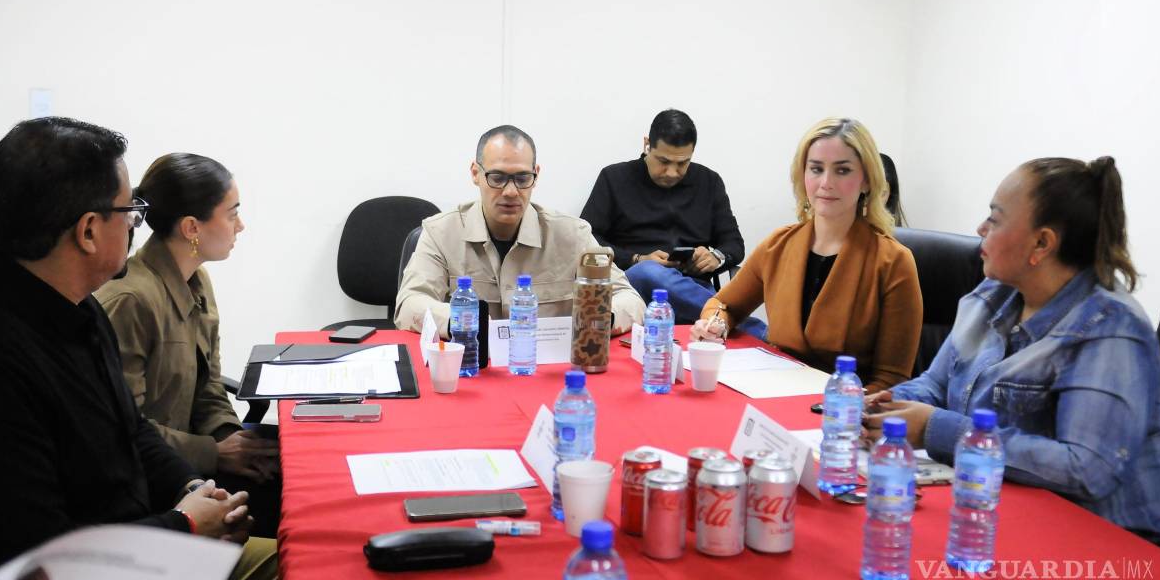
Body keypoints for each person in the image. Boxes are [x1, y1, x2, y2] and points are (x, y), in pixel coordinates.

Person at [0, 118, 276, 580]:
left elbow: (130, 428)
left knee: (312, 568)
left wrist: (192, 488)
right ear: (89, 231)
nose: (138, 224)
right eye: (130, 212)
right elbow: (40, 563)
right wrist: (184, 525)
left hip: (145, 542)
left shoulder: (75, 300)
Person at [866, 156, 1160, 549]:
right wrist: (886, 408)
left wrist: (937, 429)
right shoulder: (994, 295)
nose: (980, 229)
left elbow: (1086, 470)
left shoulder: (1111, 329)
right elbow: (936, 384)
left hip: (1119, 544)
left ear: (1042, 243)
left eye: (995, 219)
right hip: (1008, 511)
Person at [96, 153, 281, 538]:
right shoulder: (130, 301)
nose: (240, 225)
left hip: (193, 460)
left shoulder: (197, 281)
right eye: (232, 214)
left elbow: (208, 384)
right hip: (157, 484)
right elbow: (124, 431)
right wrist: (216, 454)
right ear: (192, 227)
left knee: (291, 471)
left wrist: (235, 442)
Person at [691, 117, 923, 391]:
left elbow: (891, 381)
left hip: (846, 408)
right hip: (773, 392)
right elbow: (724, 304)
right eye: (816, 169)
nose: (826, 182)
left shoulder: (894, 262)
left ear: (867, 181)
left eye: (843, 170)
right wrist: (715, 324)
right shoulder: (778, 245)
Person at [395, 125, 644, 336]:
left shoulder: (573, 235)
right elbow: (409, 304)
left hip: (548, 369)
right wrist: (463, 320)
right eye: (497, 177)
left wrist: (598, 318)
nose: (511, 191)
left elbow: (630, 300)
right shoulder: (441, 233)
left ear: (536, 176)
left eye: (523, 179)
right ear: (475, 173)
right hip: (471, 366)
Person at [580, 109, 746, 324]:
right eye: (663, 161)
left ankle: (722, 318)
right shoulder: (614, 178)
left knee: (656, 274)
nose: (671, 172)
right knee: (648, 271)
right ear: (647, 144)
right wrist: (636, 259)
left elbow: (734, 244)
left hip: (693, 290)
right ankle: (741, 324)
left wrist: (715, 257)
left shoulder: (709, 182)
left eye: (682, 163)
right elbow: (587, 241)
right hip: (632, 291)